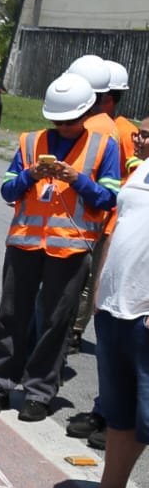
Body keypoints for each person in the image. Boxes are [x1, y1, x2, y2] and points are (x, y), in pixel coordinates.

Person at [0, 72, 121, 422]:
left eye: (70, 121)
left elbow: (109, 198)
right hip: (24, 243)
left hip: (71, 249)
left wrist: (79, 181)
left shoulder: (104, 146)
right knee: (11, 317)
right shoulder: (30, 142)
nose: (63, 126)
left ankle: (39, 392)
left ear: (86, 114)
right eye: (57, 120)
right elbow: (8, 190)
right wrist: (30, 176)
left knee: (56, 324)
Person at [47, 149, 149, 488]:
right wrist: (100, 292)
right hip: (116, 309)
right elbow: (121, 226)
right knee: (120, 415)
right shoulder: (141, 169)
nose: (141, 135)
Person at [65, 57, 138, 440]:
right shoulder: (138, 162)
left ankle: (123, 424)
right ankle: (107, 409)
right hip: (116, 244)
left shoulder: (113, 131)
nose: (141, 138)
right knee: (115, 340)